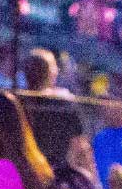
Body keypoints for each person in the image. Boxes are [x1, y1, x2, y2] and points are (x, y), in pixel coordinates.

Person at [18, 48, 84, 180]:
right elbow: (78, 145)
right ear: (50, 72)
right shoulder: (64, 103)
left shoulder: (16, 102)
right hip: (54, 175)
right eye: (54, 67)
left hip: (26, 172)